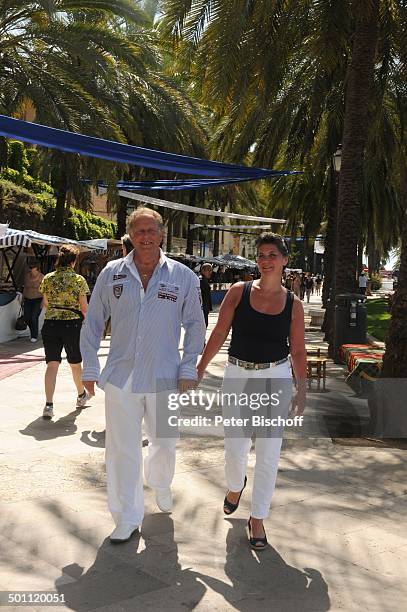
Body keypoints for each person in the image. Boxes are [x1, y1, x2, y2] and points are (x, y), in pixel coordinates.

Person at [80, 207, 206, 544]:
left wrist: (188, 366)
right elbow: (93, 322)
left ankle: (160, 481)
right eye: (139, 231)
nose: (146, 237)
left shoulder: (183, 276)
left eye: (151, 231)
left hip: (165, 376)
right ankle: (127, 516)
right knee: (122, 449)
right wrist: (90, 367)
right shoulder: (111, 273)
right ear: (130, 235)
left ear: (162, 234)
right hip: (121, 377)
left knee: (164, 441)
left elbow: (196, 326)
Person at [197, 232, 306, 551]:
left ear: (285, 260)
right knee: (236, 447)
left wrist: (302, 389)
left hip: (276, 377)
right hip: (237, 375)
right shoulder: (237, 292)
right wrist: (201, 368)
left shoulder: (293, 304)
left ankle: (257, 518)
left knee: (269, 452)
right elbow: (218, 333)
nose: (266, 260)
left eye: (273, 254)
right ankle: (235, 486)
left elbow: (298, 352)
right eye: (261, 255)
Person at [39, 246, 91, 420]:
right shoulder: (78, 280)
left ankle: (48, 405)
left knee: (52, 364)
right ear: (73, 261)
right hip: (72, 325)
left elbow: (45, 304)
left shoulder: (48, 278)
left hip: (51, 324)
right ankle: (81, 395)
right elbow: (84, 307)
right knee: (75, 363)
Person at [23, 259, 44, 342]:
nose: (31, 269)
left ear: (37, 269)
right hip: (28, 299)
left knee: (34, 317)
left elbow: (45, 291)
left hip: (38, 299)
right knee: (27, 317)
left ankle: (34, 335)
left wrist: (43, 301)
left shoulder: (42, 277)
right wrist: (22, 298)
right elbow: (25, 287)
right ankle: (32, 332)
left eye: (32, 268)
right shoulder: (27, 276)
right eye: (30, 268)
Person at [200, 263, 213, 328]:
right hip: (201, 308)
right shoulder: (201, 281)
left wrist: (209, 307)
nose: (210, 272)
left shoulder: (205, 280)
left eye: (211, 270)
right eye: (208, 270)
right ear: (203, 271)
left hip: (205, 307)